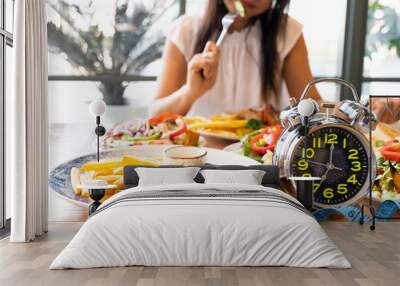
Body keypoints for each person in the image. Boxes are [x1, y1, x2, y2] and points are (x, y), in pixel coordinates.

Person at [151, 0, 320, 117]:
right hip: (198, 155)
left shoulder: (287, 31)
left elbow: (311, 103)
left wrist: (340, 109)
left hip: (260, 155)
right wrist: (190, 92)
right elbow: (155, 115)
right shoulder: (185, 31)